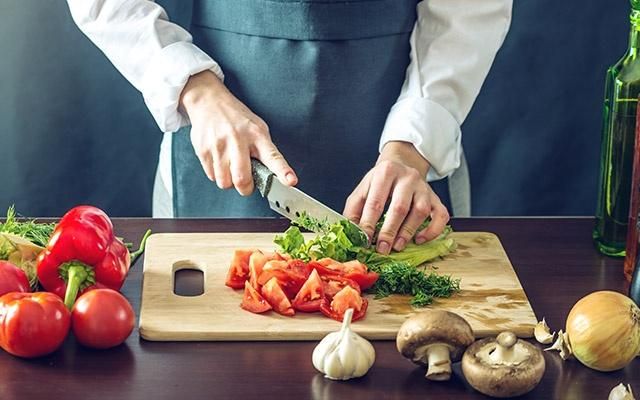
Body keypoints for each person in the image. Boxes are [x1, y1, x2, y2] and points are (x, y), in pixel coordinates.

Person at [66, 0, 512, 255]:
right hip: (219, 128)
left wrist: (411, 147)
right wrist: (193, 88)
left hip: (405, 134)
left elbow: (469, 10)